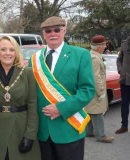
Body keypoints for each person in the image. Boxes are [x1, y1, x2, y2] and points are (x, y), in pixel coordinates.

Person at [28, 16, 95, 160]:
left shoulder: (81, 55)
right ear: (43, 34)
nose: (53, 34)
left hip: (69, 129)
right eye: (48, 31)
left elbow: (87, 90)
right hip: (42, 132)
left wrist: (61, 108)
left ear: (64, 31)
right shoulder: (34, 59)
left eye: (57, 30)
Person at [0, 36, 41, 160]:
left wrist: (30, 135)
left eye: (11, 49)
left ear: (16, 52)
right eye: (3, 49)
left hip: (21, 126)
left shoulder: (27, 73)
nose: (7, 53)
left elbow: (32, 105)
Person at [85, 35, 114, 143]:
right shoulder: (95, 58)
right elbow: (95, 76)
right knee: (98, 112)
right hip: (95, 90)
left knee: (90, 110)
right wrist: (101, 91)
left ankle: (88, 132)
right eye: (104, 45)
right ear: (98, 47)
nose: (106, 46)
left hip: (92, 89)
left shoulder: (95, 55)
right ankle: (101, 136)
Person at [115, 36, 130, 134]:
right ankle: (124, 126)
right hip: (125, 79)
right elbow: (119, 59)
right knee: (124, 104)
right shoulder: (124, 44)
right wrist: (120, 70)